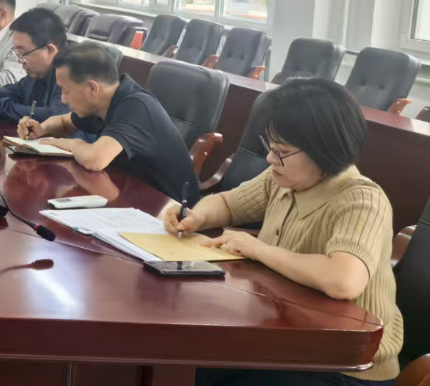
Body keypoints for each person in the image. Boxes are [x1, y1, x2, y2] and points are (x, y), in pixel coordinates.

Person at [161, 80, 402, 386]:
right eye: (271, 147)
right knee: (179, 363)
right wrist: (197, 216)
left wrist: (257, 249)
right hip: (284, 336)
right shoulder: (282, 179)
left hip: (343, 364)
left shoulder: (361, 200)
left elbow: (343, 280)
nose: (270, 159)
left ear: (323, 150)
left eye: (282, 151)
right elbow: (227, 203)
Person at [18, 42, 199, 203]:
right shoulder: (102, 101)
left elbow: (94, 160)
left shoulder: (135, 106)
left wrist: (71, 144)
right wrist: (42, 128)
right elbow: (65, 121)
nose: (63, 99)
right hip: (129, 196)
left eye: (66, 91)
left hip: (171, 213)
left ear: (92, 88)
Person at [0, 8, 71, 124]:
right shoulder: (38, 72)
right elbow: (17, 91)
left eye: (24, 53)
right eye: (17, 52)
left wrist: (0, 108)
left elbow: (56, 116)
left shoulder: (75, 73)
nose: (20, 60)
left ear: (50, 50)